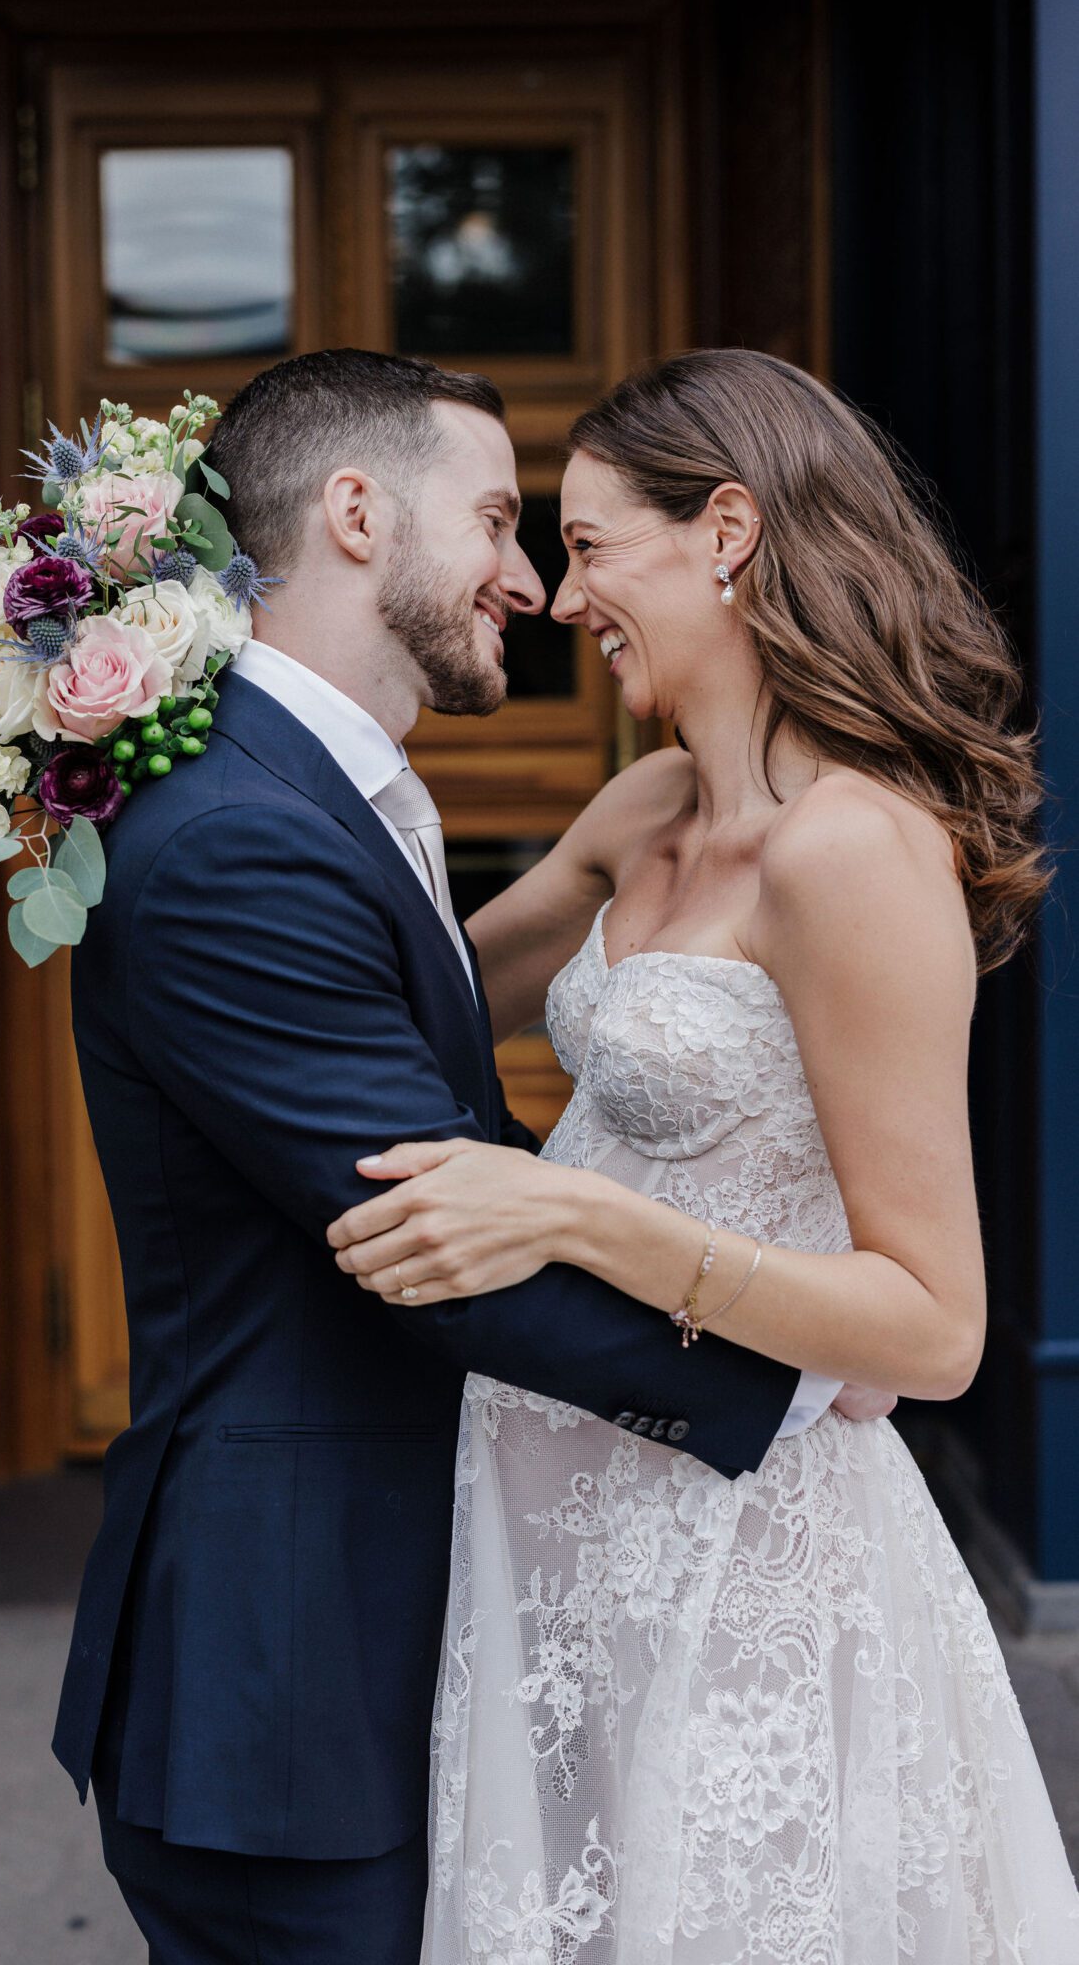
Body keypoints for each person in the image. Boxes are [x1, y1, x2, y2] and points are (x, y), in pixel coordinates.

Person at [51, 348, 881, 1965]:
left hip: (418, 1618)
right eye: (502, 523)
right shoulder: (240, 836)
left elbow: (442, 1062)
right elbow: (437, 1241)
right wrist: (799, 1383)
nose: (530, 581)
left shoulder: (335, 793)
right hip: (289, 1674)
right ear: (355, 516)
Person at [326, 349, 1079, 1961]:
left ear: (725, 532)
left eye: (590, 545)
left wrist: (582, 1216)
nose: (554, 590)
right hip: (545, 1523)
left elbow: (933, 1328)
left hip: (748, 1552)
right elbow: (398, 1003)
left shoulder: (854, 852)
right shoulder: (646, 804)